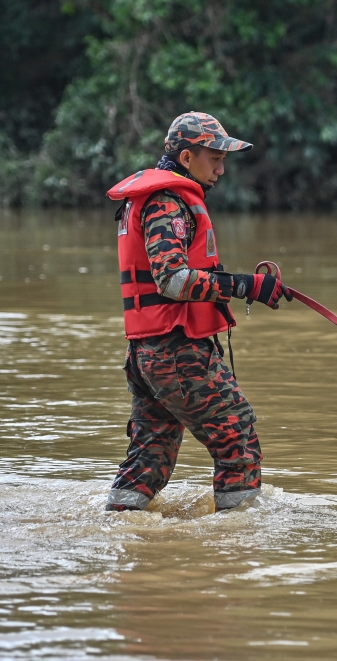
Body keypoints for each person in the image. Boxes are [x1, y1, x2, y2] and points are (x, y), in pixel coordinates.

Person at [104, 111, 291, 512]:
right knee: (237, 437)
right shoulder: (168, 202)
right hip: (178, 350)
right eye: (215, 159)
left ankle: (120, 529)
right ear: (187, 158)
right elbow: (172, 279)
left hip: (148, 353)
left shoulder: (158, 199)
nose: (222, 170)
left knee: (150, 454)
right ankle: (236, 542)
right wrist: (247, 286)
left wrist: (247, 285)